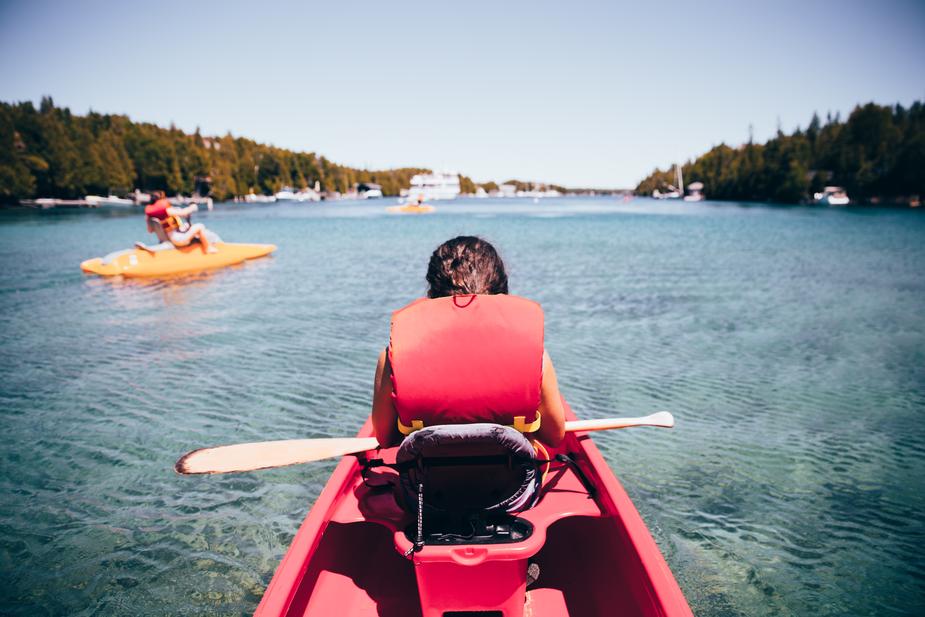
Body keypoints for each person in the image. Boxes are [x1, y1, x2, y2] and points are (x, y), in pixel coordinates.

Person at [371, 235, 566, 448]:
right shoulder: (535, 356)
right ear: (502, 290)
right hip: (509, 479)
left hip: (426, 480)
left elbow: (385, 438)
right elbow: (554, 436)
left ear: (431, 292)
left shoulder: (394, 356)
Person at [143, 191, 217, 253]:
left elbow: (150, 230)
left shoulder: (149, 216)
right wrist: (193, 207)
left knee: (186, 225)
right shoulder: (167, 211)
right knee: (200, 226)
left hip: (167, 239)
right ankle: (208, 248)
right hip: (178, 240)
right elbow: (183, 213)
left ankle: (200, 243)